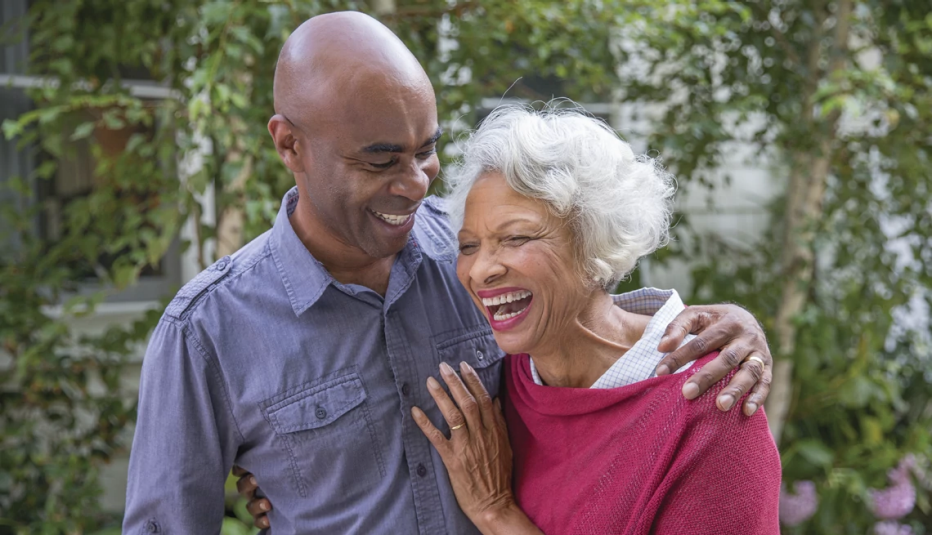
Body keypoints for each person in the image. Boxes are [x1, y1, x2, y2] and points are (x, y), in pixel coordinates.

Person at [124, 12, 774, 534]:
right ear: (289, 144)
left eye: (427, 151)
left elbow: (580, 310)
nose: (414, 184)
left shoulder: (471, 261)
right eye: (381, 161)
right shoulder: (207, 331)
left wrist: (725, 324)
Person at [408, 105, 781, 534]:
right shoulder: (504, 377)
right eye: (470, 245)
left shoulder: (714, 407)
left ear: (594, 244)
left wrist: (496, 514)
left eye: (515, 238)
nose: (480, 270)